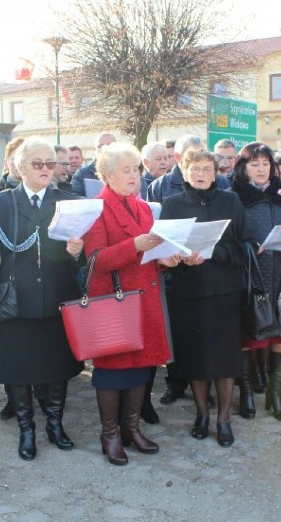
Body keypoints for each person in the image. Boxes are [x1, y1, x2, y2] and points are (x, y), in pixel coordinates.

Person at [0, 138, 84, 462]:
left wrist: (77, 254)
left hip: (57, 298)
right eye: (37, 163)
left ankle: (54, 424)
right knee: (18, 370)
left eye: (51, 164)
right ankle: (27, 429)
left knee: (57, 369)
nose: (45, 170)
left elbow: (82, 258)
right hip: (15, 301)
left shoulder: (70, 201)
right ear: (20, 166)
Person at [81, 143, 176, 463]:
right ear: (108, 175)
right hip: (114, 301)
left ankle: (131, 428)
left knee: (141, 369)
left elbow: (149, 255)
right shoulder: (96, 208)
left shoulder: (144, 207)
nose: (134, 175)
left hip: (144, 298)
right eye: (127, 170)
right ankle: (110, 434)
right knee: (111, 371)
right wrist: (134, 244)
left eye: (136, 169)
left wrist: (166, 258)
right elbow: (95, 260)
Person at [160, 148, 245, 444]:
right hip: (188, 292)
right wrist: (180, 259)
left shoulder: (230, 201)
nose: (200, 174)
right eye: (194, 169)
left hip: (224, 291)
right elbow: (166, 250)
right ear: (184, 171)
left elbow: (243, 246)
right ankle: (201, 414)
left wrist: (213, 252)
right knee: (195, 359)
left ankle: (223, 418)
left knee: (225, 359)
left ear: (216, 172)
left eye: (206, 169)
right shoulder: (171, 205)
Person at [232, 141, 281, 421]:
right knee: (249, 337)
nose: (261, 170)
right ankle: (247, 393)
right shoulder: (234, 195)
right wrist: (249, 245)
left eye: (266, 164)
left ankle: (276, 395)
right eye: (255, 164)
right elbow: (229, 236)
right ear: (244, 167)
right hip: (251, 276)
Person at [147, 135, 229, 203]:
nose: (199, 159)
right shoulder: (159, 186)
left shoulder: (221, 182)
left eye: (202, 154)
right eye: (193, 156)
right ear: (177, 157)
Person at [72, 132, 116, 197]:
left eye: (109, 145)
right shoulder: (82, 174)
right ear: (95, 150)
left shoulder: (125, 172)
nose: (104, 149)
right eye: (100, 146)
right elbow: (74, 197)